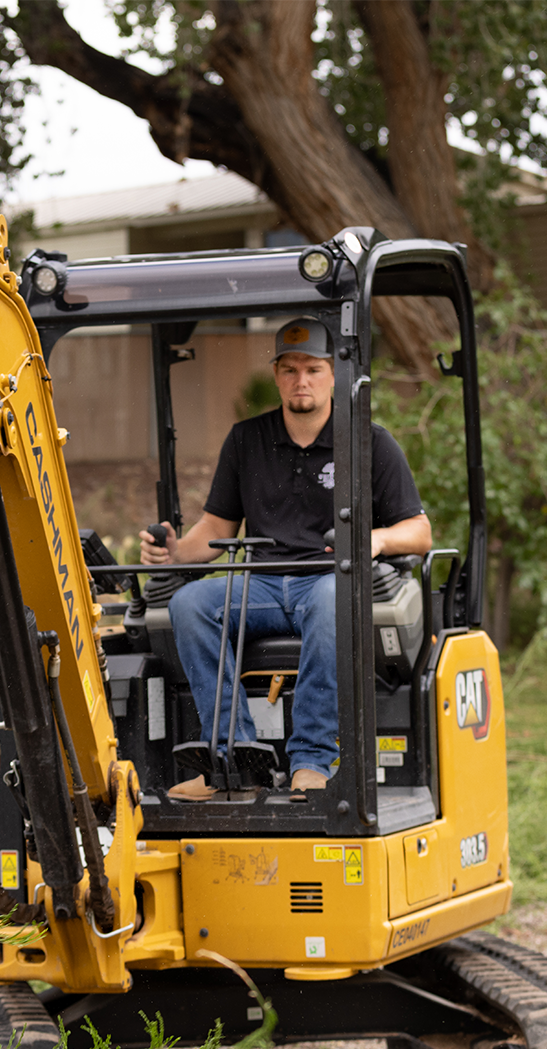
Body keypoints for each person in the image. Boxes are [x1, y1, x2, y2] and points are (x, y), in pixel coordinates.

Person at [139, 316, 431, 800]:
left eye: (313, 369)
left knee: (332, 598)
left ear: (333, 373)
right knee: (189, 603)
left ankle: (312, 760)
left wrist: (374, 541)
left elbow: (418, 532)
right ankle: (232, 758)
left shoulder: (370, 441)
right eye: (291, 369)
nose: (302, 380)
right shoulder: (246, 440)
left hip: (329, 578)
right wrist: (172, 551)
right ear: (276, 374)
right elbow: (216, 529)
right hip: (262, 583)